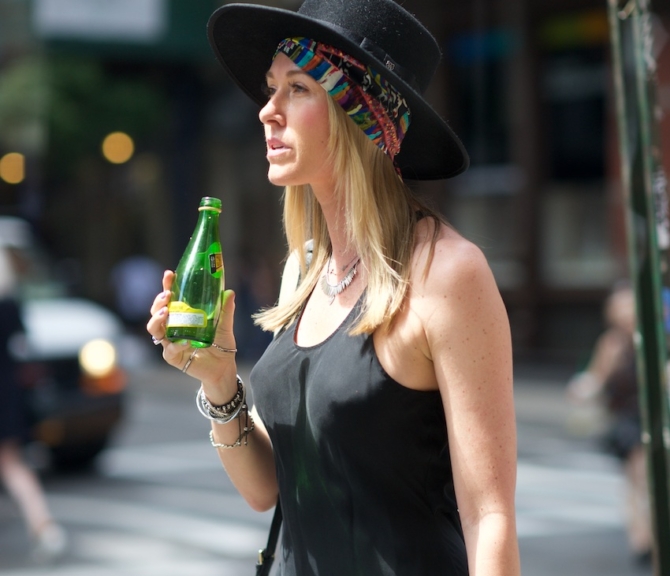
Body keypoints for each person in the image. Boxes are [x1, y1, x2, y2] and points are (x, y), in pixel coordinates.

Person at [148, 1, 520, 574]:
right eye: (271, 88)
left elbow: (489, 518)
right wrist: (221, 381)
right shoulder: (305, 267)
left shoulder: (446, 274)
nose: (267, 111)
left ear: (358, 114)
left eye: (297, 88)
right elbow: (267, 490)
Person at [566, 283, 652, 565]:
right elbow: (595, 378)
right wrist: (582, 390)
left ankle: (645, 533)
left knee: (642, 479)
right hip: (628, 420)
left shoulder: (655, 337)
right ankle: (641, 537)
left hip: (652, 415)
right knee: (637, 475)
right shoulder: (611, 344)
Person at [0, 246, 67, 563]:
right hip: (8, 394)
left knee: (12, 465)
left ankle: (44, 528)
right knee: (14, 464)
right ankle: (44, 527)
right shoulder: (11, 304)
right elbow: (22, 347)